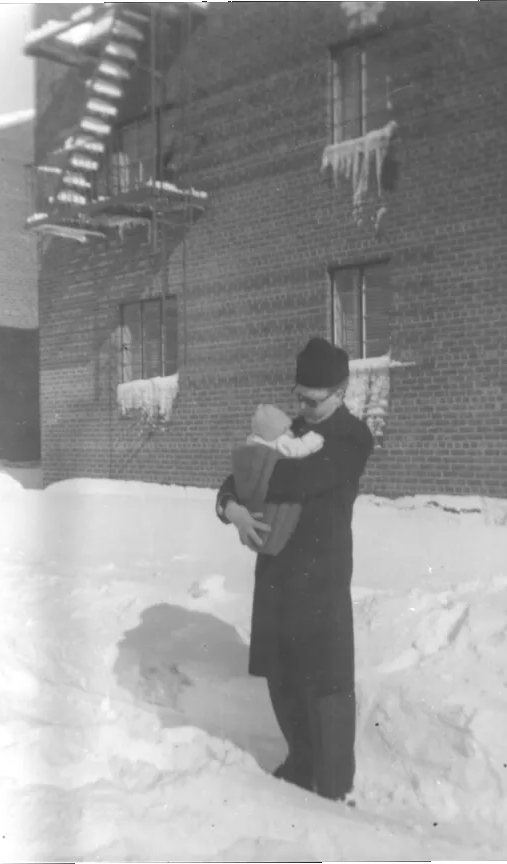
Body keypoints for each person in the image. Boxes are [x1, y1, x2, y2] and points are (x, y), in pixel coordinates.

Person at [216, 337, 374, 802]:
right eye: (298, 397)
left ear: (341, 391)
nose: (302, 406)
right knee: (283, 677)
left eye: (313, 399)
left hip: (321, 579)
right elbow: (234, 479)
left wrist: (255, 473)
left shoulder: (352, 437)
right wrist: (233, 509)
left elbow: (301, 478)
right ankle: (298, 766)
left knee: (325, 683)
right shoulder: (293, 430)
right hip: (276, 575)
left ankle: (332, 785)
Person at [231, 403, 325, 556]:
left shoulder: (250, 449)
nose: (290, 433)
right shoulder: (278, 444)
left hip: (253, 527)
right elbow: (299, 448)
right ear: (276, 432)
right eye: (286, 429)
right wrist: (314, 438)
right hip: (273, 534)